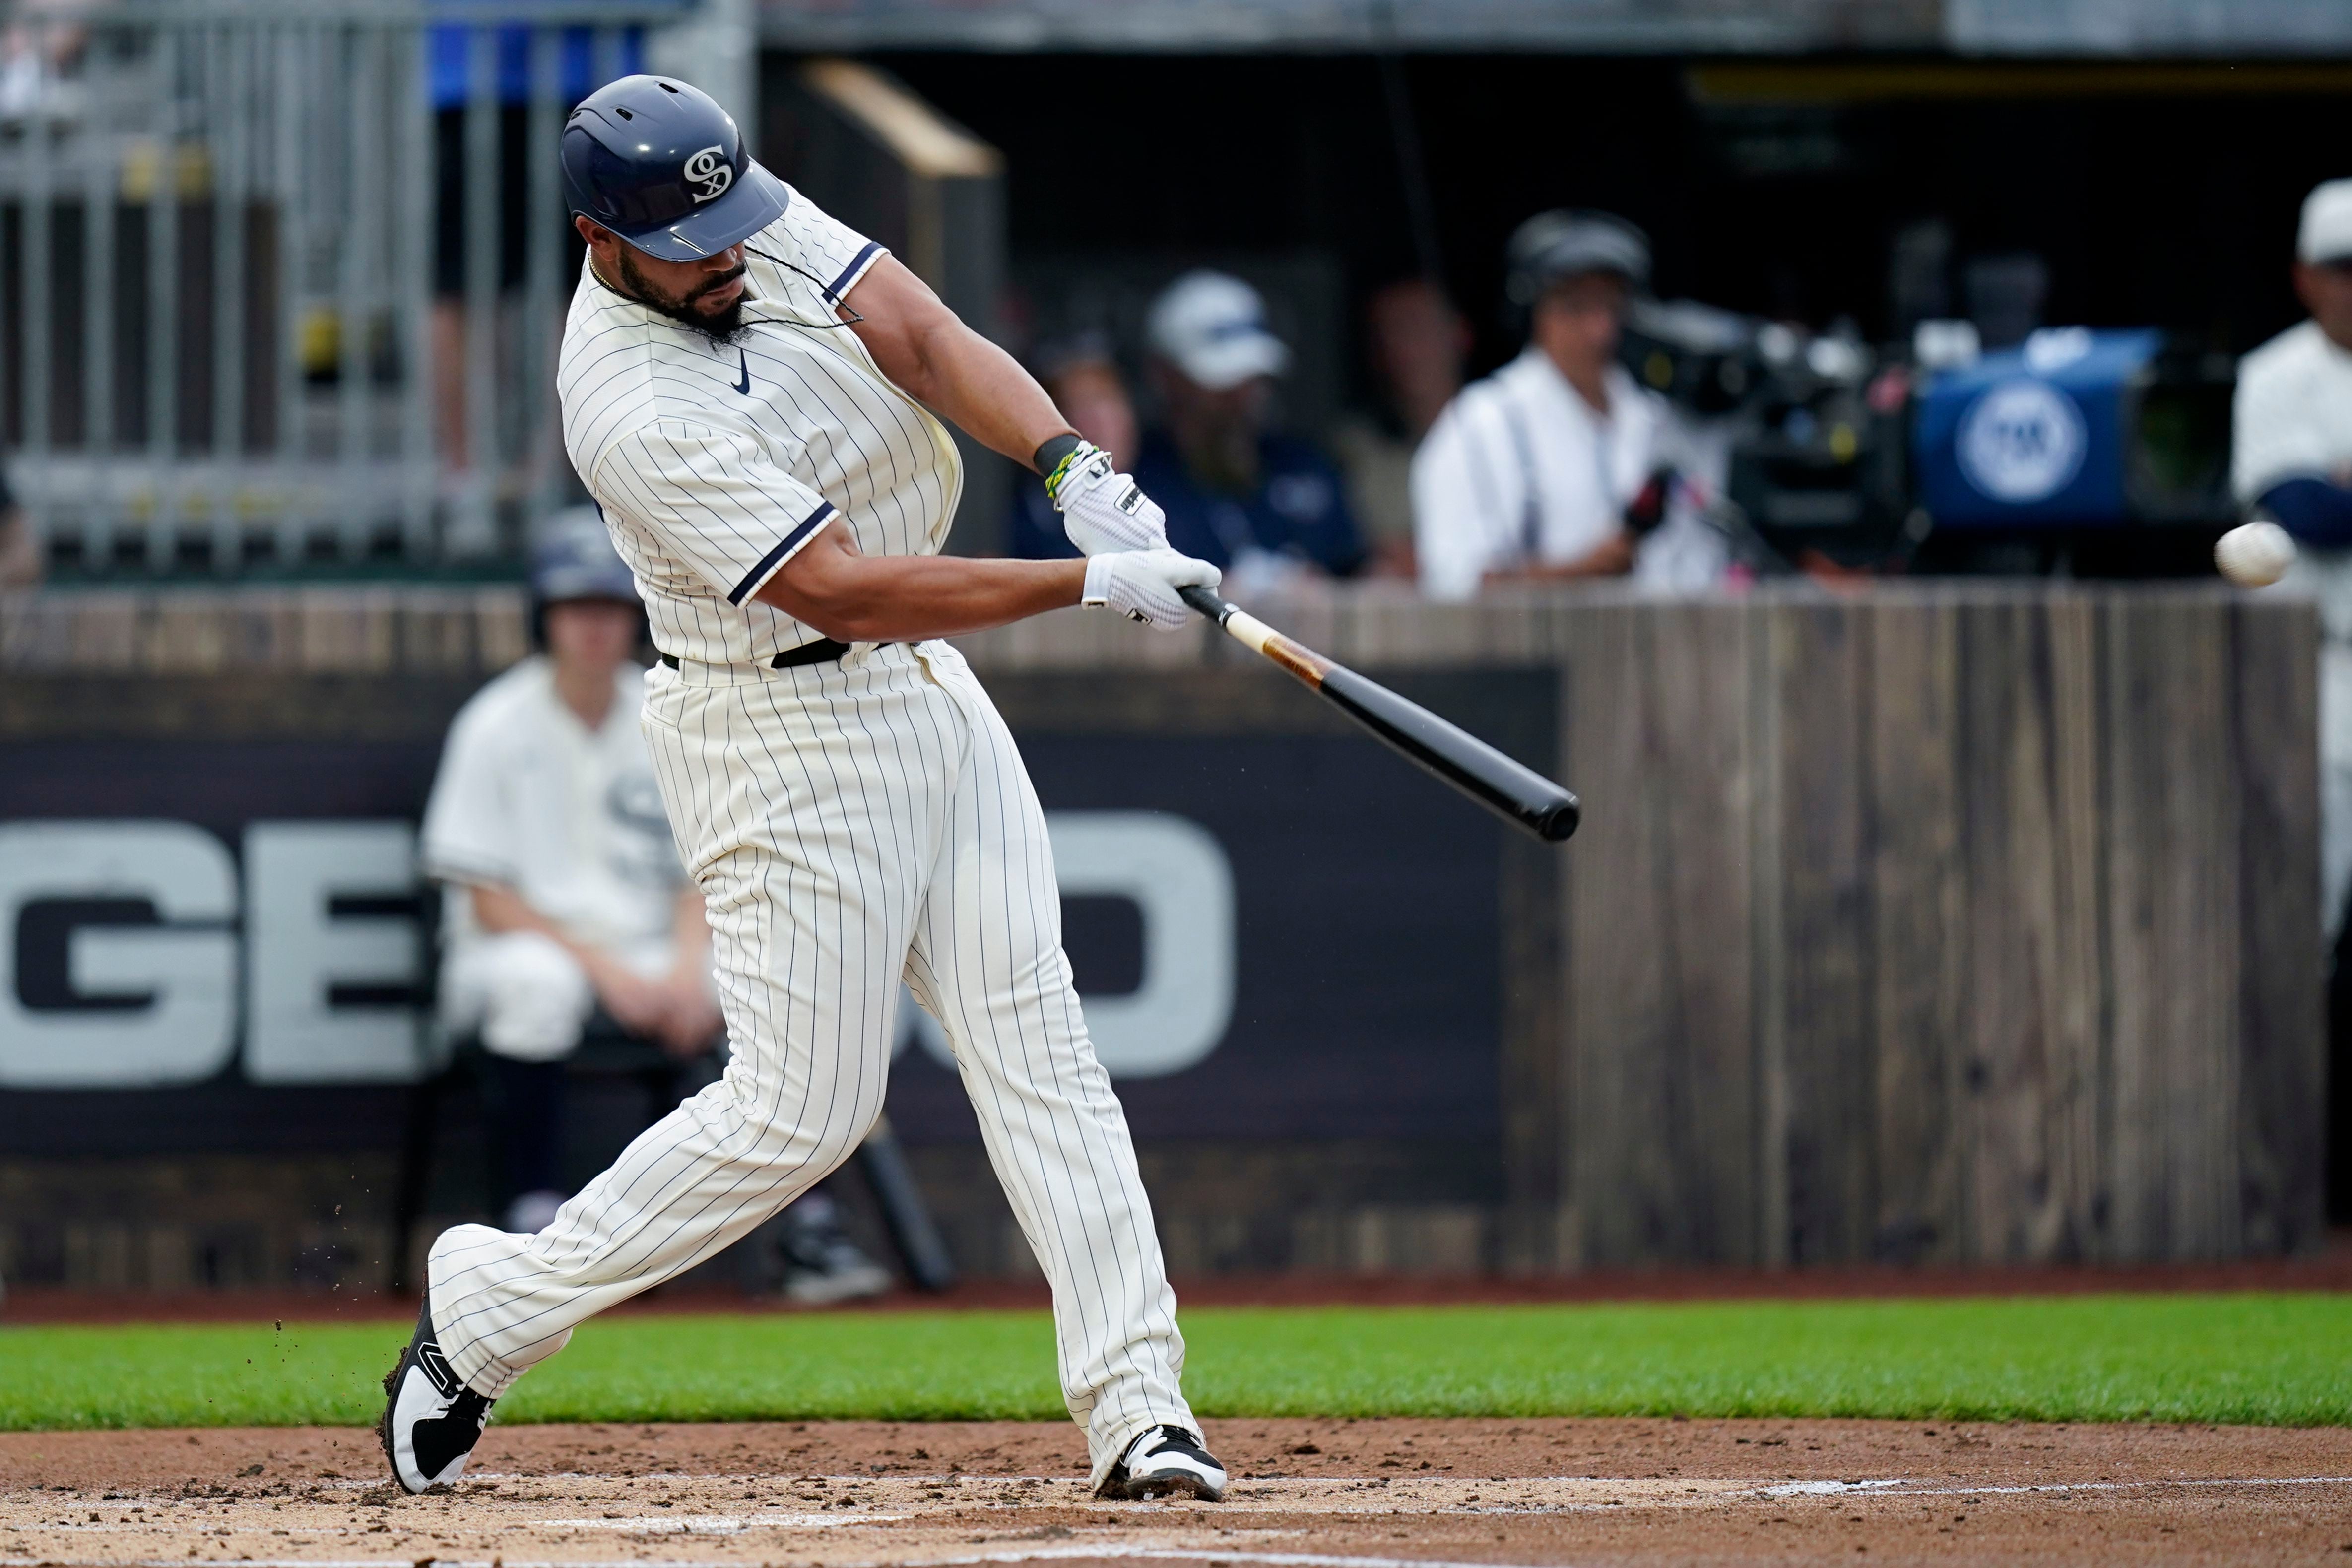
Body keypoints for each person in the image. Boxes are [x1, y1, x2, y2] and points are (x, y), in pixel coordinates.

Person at [382, 75, 1228, 1505]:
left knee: (1038, 1045)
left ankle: (1141, 1409)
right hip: (777, 725)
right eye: (687, 244)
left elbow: (919, 331)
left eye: (731, 222)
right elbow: (839, 586)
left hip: (925, 696)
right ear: (602, 238)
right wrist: (1086, 581)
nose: (726, 255)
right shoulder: (626, 404)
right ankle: (488, 1312)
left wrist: (1069, 462)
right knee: (800, 1112)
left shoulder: (730, 211)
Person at [419, 513, 890, 1302]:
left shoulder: (667, 708)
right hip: (518, 954)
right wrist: (610, 974)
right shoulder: (495, 722)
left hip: (652, 949)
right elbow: (487, 898)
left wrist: (681, 968)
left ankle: (811, 1232)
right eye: (575, 609)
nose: (593, 628)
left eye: (608, 608)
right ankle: (532, 1214)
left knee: (763, 991)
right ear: (545, 618)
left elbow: (705, 871)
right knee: (537, 984)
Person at [2235, 177, 2352, 1219]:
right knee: (2303, 924)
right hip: (2317, 666)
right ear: (2308, 275)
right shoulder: (2276, 374)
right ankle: (2294, 1184)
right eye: (2342, 268)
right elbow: (2300, 507)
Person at [1412, 210, 1686, 600]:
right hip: (1531, 658)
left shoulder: (1659, 419)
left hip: (1671, 653)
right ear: (1533, 311)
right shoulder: (1479, 422)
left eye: (1612, 306)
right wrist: (1586, 571)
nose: (1599, 329)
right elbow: (1454, 587)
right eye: (1576, 307)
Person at [1133, 270, 1363, 592]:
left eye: (1252, 377)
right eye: (1222, 381)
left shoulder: (1306, 467)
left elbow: (1362, 571)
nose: (1242, 397)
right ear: (1165, 376)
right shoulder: (1137, 485)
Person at [1328, 278, 1471, 579]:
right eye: (1387, 335)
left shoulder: (1499, 429)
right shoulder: (1356, 446)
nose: (1403, 348)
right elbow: (1393, 556)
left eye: (1417, 328)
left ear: (1461, 334)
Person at [1004, 334, 1138, 560]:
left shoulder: (1168, 491)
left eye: (1105, 400)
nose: (1099, 421)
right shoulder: (1016, 522)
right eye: (1078, 406)